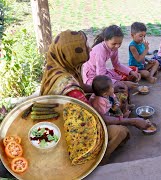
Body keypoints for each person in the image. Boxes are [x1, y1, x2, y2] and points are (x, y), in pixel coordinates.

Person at [40, 30, 150, 165]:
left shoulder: (63, 68)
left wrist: (107, 90)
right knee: (121, 132)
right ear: (71, 52)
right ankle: (99, 159)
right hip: (69, 129)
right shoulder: (69, 87)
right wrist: (133, 121)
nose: (90, 48)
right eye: (85, 47)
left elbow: (83, 87)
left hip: (72, 113)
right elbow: (97, 118)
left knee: (117, 96)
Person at [82, 25, 140, 89]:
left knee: (132, 71)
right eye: (114, 43)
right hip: (93, 76)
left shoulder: (114, 48)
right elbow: (101, 77)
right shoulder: (100, 51)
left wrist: (131, 72)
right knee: (114, 89)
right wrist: (122, 83)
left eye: (119, 43)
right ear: (105, 40)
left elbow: (117, 65)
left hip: (101, 72)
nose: (117, 46)